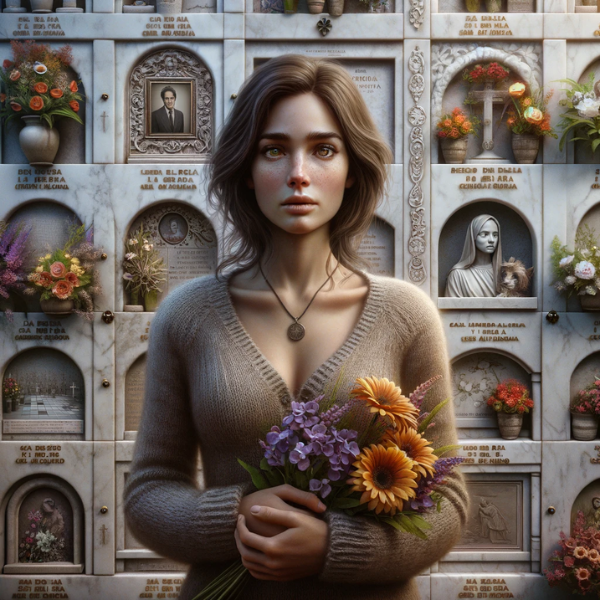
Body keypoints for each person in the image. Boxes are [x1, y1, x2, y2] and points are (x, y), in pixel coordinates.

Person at [124, 54, 468, 600]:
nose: (299, 174)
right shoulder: (188, 314)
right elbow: (147, 495)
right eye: (274, 150)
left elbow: (447, 502)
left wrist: (337, 544)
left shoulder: (407, 314)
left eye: (324, 149)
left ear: (353, 167)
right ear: (246, 166)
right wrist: (234, 515)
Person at [444, 214, 502, 298]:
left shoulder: (504, 274)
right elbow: (451, 309)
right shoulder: (458, 274)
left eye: (495, 235)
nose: (491, 240)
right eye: (484, 234)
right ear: (473, 237)